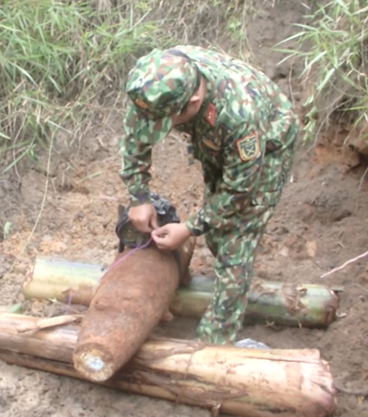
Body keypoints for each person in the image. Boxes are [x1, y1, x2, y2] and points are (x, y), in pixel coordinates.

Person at [119, 45, 299, 345]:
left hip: (267, 146)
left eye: (164, 124)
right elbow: (136, 136)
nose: (154, 127)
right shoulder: (156, 83)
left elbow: (240, 190)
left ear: (193, 103)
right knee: (216, 232)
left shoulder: (240, 116)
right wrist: (139, 197)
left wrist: (189, 229)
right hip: (216, 139)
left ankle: (213, 344)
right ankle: (224, 266)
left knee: (236, 238)